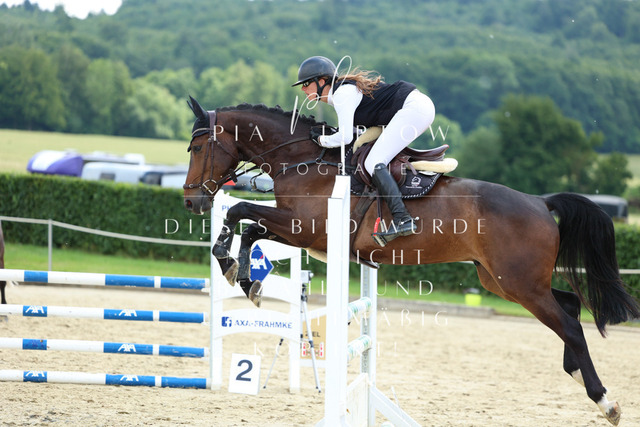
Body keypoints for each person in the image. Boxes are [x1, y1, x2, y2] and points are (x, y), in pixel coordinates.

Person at [292, 56, 436, 246]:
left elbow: (345, 138)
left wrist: (320, 140)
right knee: (373, 159)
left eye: (306, 84)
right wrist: (329, 134)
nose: (303, 89)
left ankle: (402, 219)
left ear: (322, 81)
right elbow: (354, 132)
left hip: (414, 109)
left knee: (373, 163)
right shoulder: (340, 94)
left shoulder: (342, 93)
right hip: (415, 107)